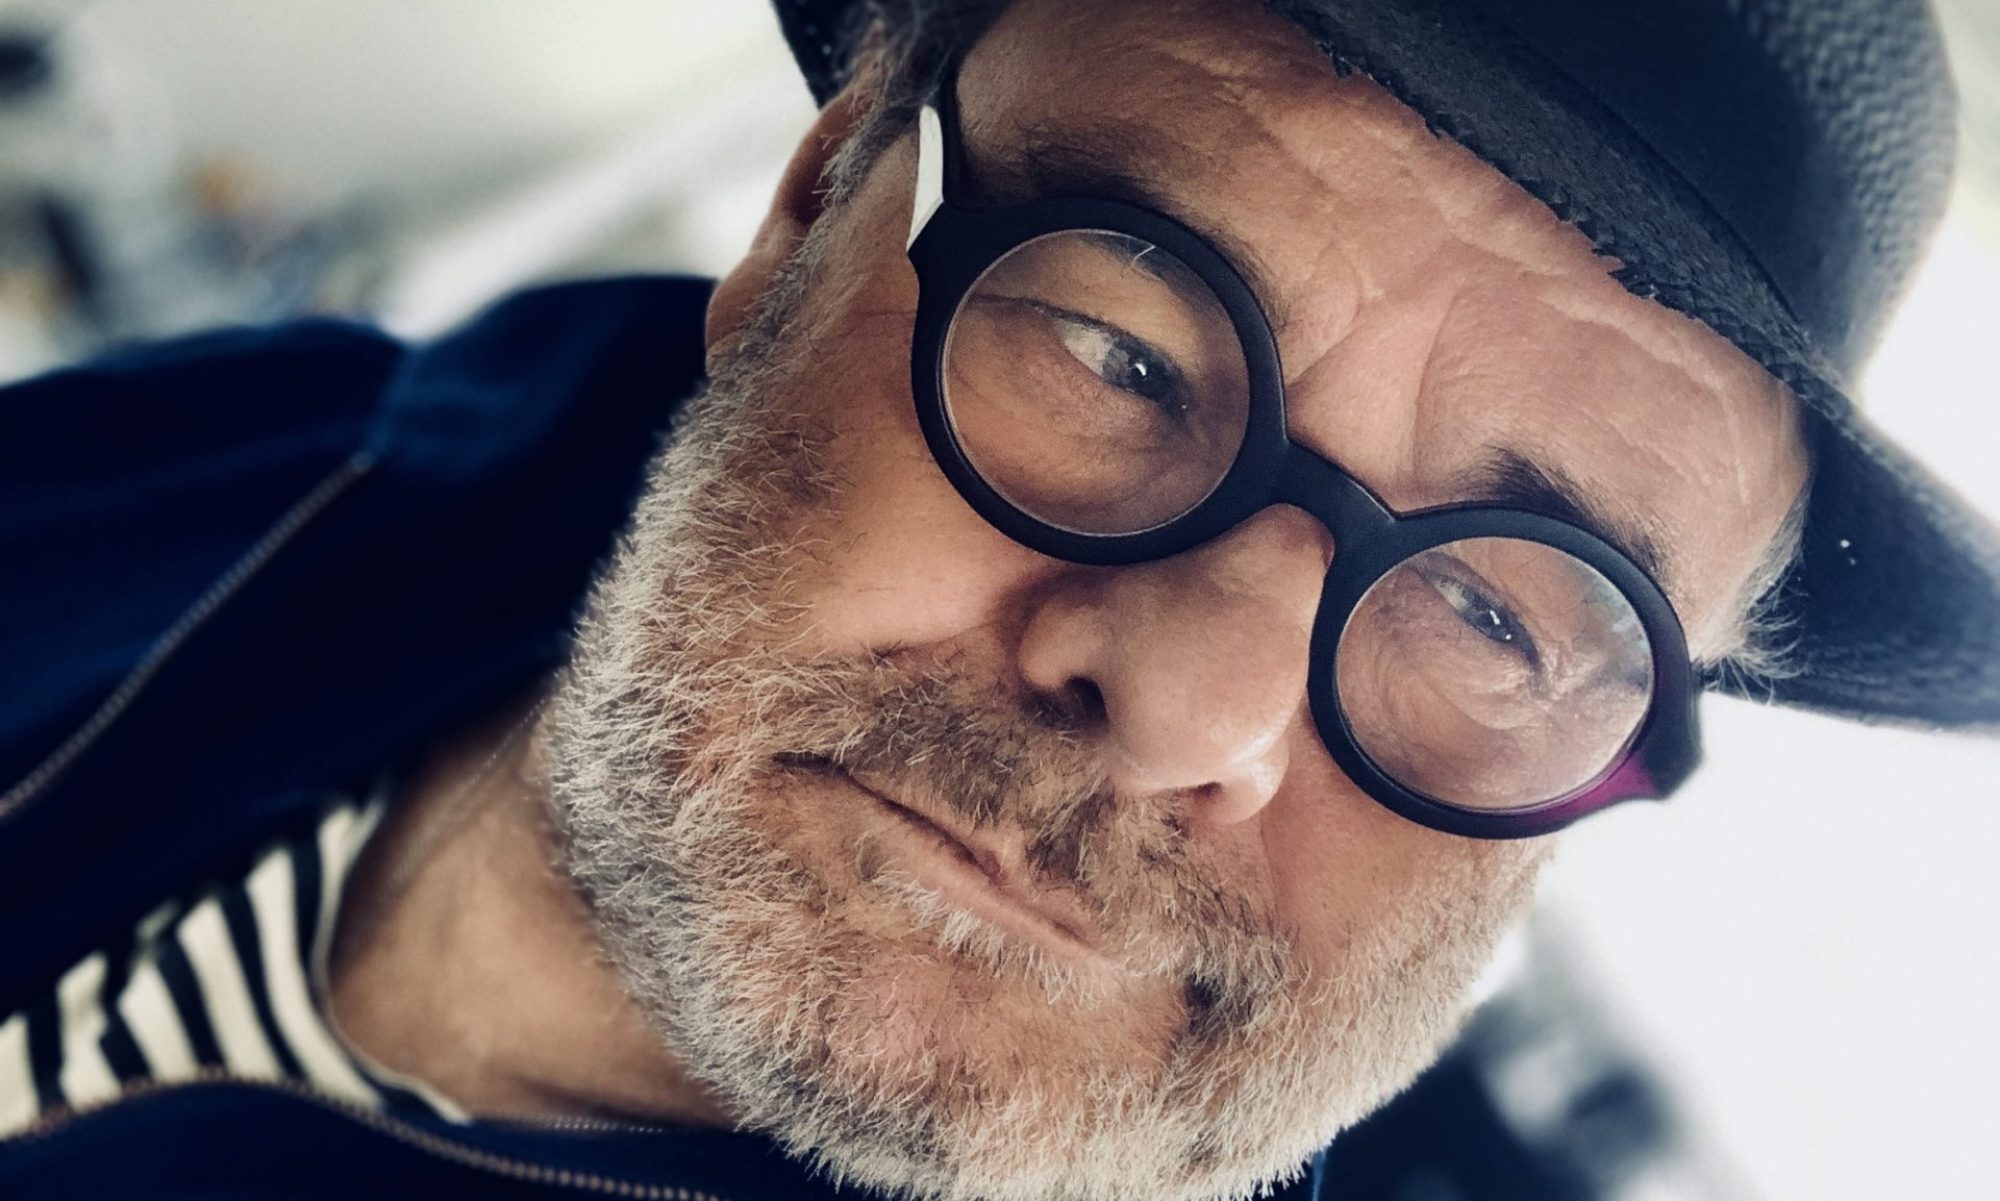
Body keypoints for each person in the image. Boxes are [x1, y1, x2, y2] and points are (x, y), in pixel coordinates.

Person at [2, 0, 1995, 1198]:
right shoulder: (263, 454)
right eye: (1122, 353)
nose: (1192, 704)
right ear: (810, 214)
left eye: (1498, 621)